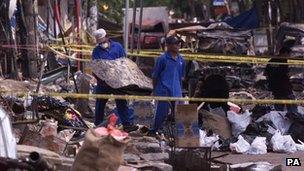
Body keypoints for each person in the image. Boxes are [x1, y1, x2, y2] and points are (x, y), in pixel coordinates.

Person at [92, 28, 138, 132]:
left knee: (121, 102)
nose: (101, 44)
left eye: (103, 41)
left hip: (117, 81)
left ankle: (127, 124)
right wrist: (101, 78)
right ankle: (98, 125)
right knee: (100, 104)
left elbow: (124, 62)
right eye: (100, 42)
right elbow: (95, 67)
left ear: (107, 37)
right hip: (103, 83)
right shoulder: (96, 51)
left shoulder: (118, 47)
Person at [149, 36, 185, 134]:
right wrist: (155, 90)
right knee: (162, 113)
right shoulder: (162, 59)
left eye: (179, 43)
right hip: (163, 90)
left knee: (179, 114)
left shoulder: (181, 60)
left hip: (176, 91)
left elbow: (181, 77)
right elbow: (155, 76)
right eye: (175, 43)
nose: (178, 45)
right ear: (168, 46)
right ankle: (154, 130)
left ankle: (178, 135)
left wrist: (180, 91)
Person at [265, 39, 297, 113]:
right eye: (288, 54)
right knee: (291, 105)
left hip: (274, 87)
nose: (289, 56)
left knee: (278, 107)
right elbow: (287, 74)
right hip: (284, 87)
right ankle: (294, 118)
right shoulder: (283, 61)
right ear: (285, 53)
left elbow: (265, 74)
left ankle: (279, 119)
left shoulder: (271, 60)